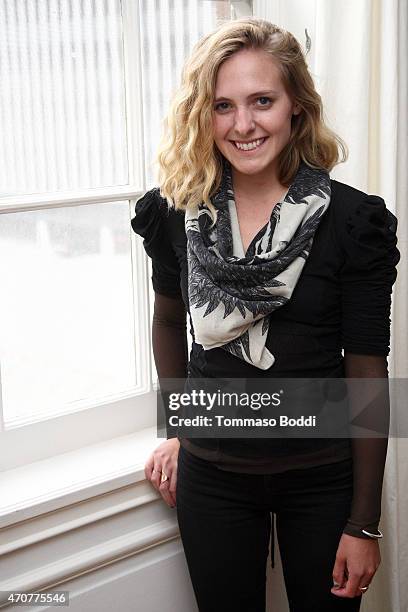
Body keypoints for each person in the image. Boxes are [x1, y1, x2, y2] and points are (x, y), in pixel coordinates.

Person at [131, 17, 399, 612]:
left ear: (297, 106)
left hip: (322, 477)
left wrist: (363, 523)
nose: (243, 124)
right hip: (212, 477)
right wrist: (178, 429)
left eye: (262, 101)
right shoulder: (175, 213)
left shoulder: (354, 224)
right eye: (223, 105)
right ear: (203, 113)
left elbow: (365, 370)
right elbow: (170, 325)